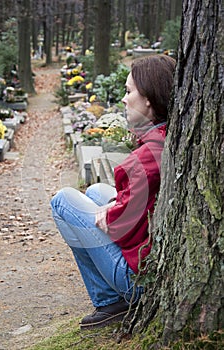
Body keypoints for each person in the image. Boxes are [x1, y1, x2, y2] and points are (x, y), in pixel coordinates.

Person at [51, 54, 176, 330]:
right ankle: (112, 300)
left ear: (148, 99)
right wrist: (112, 205)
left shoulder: (145, 158)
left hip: (140, 281)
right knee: (96, 190)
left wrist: (110, 213)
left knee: (63, 202)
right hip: (155, 259)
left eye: (129, 91)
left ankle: (111, 302)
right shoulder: (168, 137)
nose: (123, 98)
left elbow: (120, 229)